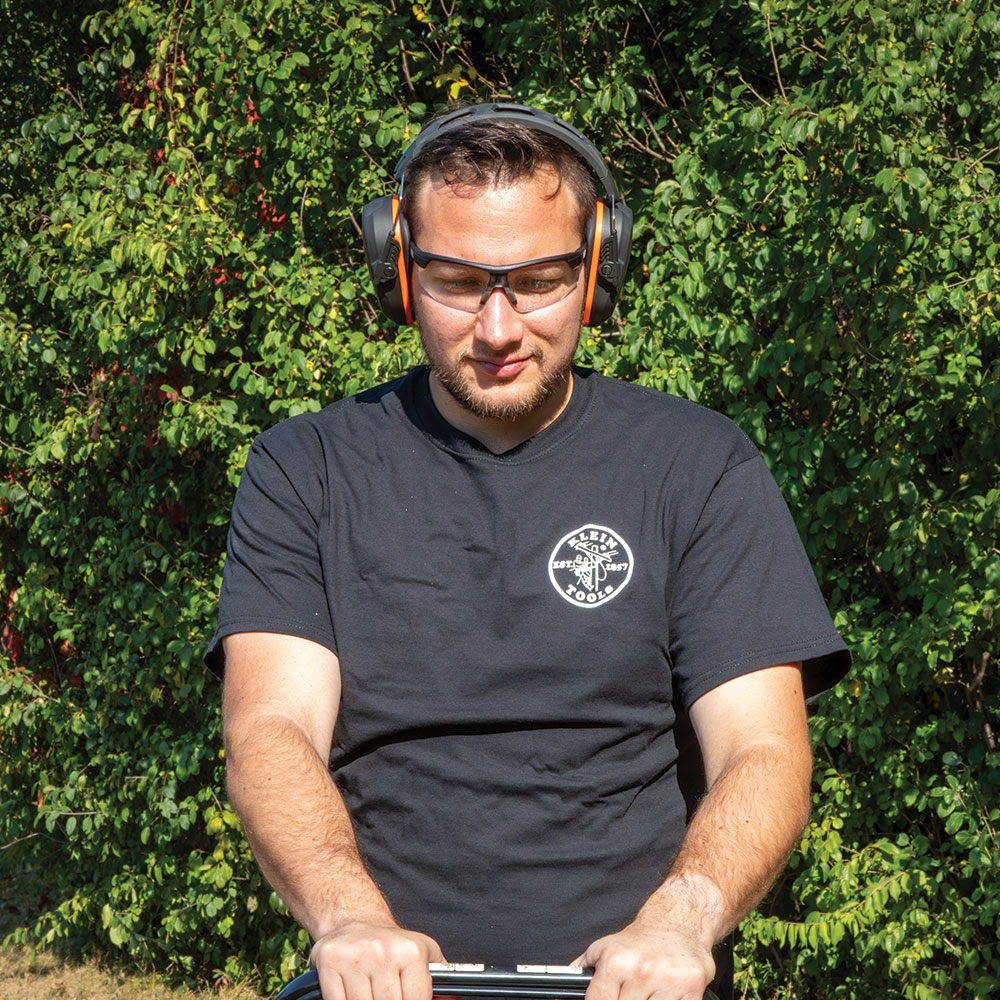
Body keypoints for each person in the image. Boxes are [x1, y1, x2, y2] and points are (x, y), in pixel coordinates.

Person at [206, 103, 850, 1000]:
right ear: (399, 271)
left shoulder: (698, 466)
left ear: (599, 270)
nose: (500, 329)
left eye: (540, 281)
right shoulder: (306, 469)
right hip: (381, 982)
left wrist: (679, 922)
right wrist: (348, 918)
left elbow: (763, 749)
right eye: (458, 282)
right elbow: (271, 729)